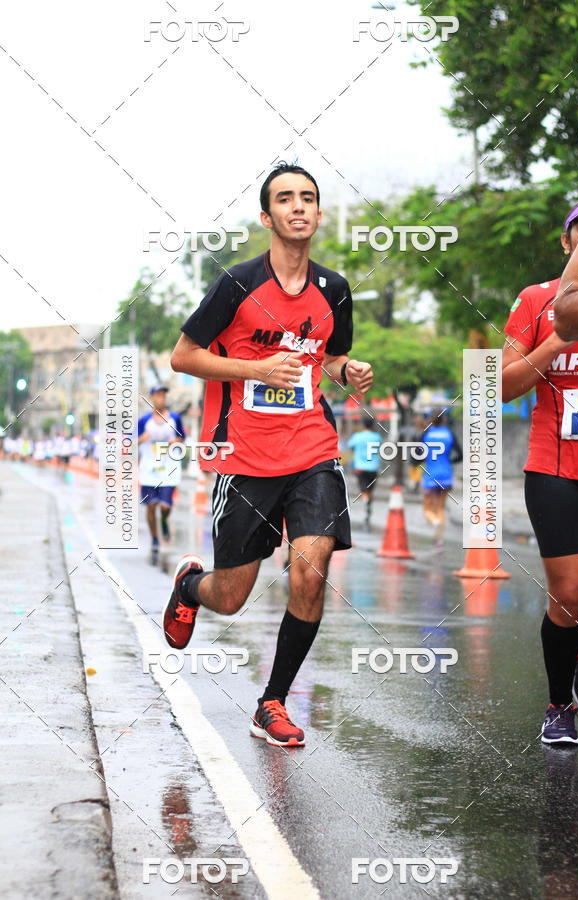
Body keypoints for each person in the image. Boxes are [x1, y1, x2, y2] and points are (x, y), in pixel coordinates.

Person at [165, 162, 373, 747]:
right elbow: (184, 356)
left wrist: (345, 369)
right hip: (244, 456)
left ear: (318, 213)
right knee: (230, 597)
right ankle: (189, 588)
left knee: (311, 571)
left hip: (312, 447)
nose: (299, 207)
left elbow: (327, 358)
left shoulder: (334, 289)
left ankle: (272, 701)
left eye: (308, 198)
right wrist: (255, 368)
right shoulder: (237, 285)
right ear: (267, 216)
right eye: (286, 200)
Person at [504, 196, 578, 746]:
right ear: (568, 245)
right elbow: (499, 384)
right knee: (569, 589)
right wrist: (559, 336)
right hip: (555, 464)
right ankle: (559, 705)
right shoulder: (539, 301)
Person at [138, 386, 186, 564]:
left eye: (164, 395)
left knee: (165, 507)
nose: (161, 398)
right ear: (151, 398)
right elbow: (131, 440)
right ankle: (155, 539)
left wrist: (176, 440)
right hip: (149, 470)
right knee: (151, 506)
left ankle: (164, 521)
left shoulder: (175, 418)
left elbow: (183, 438)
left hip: (169, 469)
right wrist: (141, 439)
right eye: (158, 395)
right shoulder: (144, 421)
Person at [420, 410, 461, 545]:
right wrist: (449, 462)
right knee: (440, 508)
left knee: (427, 509)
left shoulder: (426, 434)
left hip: (430, 476)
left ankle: (435, 522)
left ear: (431, 420)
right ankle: (439, 539)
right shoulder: (449, 434)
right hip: (446, 475)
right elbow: (460, 454)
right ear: (443, 420)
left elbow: (418, 454)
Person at [348, 415, 381, 529]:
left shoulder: (357, 436)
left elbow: (350, 446)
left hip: (360, 467)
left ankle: (366, 502)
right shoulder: (377, 437)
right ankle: (368, 506)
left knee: (363, 489)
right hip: (373, 467)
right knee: (370, 489)